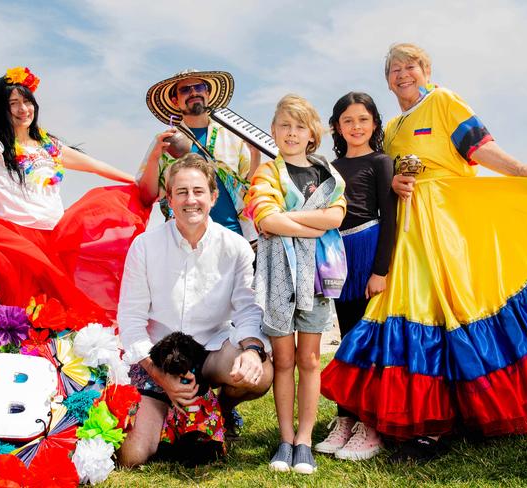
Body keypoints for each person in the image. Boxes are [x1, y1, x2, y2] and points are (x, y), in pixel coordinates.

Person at [321, 43, 527, 462]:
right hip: (409, 233)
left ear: (426, 70)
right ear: (386, 79)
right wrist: (398, 186)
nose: (403, 74)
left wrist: (519, 171)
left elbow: (478, 146)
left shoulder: (444, 101)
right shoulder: (389, 130)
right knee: (416, 315)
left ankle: (444, 420)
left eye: (410, 66)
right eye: (394, 69)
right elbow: (388, 174)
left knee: (453, 310)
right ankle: (420, 418)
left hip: (449, 226)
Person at [117, 154, 273, 467]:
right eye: (182, 192)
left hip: (211, 352)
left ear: (213, 197)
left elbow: (247, 310)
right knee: (131, 457)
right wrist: (163, 378)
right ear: (168, 199)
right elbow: (131, 322)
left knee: (259, 376)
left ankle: (221, 408)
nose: (191, 200)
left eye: (199, 191)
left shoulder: (236, 246)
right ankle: (172, 411)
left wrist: (253, 351)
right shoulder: (144, 246)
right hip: (156, 359)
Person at [0, 67, 148, 318]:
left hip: (56, 237)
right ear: (1, 108)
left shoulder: (49, 146)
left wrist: (140, 183)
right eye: (14, 103)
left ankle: (57, 354)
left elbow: (96, 166)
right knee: (22, 308)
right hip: (12, 237)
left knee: (58, 308)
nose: (23, 109)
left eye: (27, 101)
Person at [245, 94, 347, 474]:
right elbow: (266, 218)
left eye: (299, 126)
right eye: (284, 126)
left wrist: (291, 219)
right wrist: (310, 223)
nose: (291, 133)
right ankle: (285, 437)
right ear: (273, 131)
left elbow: (336, 216)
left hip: (317, 279)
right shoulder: (267, 173)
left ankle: (305, 438)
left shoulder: (327, 174)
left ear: (312, 134)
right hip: (278, 278)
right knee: (284, 359)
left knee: (308, 359)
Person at [314, 92, 397, 461]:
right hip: (338, 255)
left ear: (374, 123)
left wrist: (380, 270)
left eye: (363, 119)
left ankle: (371, 424)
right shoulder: (329, 167)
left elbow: (391, 218)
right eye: (348, 120)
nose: (356, 127)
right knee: (348, 341)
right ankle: (345, 418)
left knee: (369, 342)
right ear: (336, 126)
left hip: (369, 249)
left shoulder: (382, 162)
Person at [139, 69, 260, 240]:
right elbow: (146, 196)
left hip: (235, 237)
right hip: (183, 240)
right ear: (175, 101)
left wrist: (256, 155)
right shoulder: (164, 142)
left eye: (199, 87)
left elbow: (250, 188)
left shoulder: (232, 136)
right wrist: (154, 157)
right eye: (185, 90)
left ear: (208, 93)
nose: (194, 92)